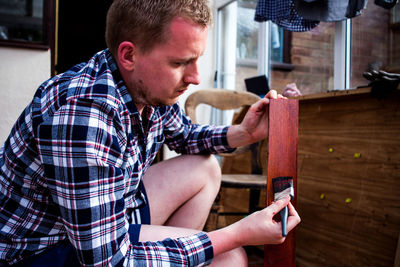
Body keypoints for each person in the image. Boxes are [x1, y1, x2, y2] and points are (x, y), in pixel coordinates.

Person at [0, 0, 301, 266]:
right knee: (230, 256)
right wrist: (237, 234)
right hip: (41, 249)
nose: (195, 77)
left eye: (196, 59)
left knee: (205, 168)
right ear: (129, 55)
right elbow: (107, 260)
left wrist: (244, 132)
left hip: (102, 220)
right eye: (180, 62)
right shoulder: (85, 114)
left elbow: (185, 136)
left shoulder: (146, 88)